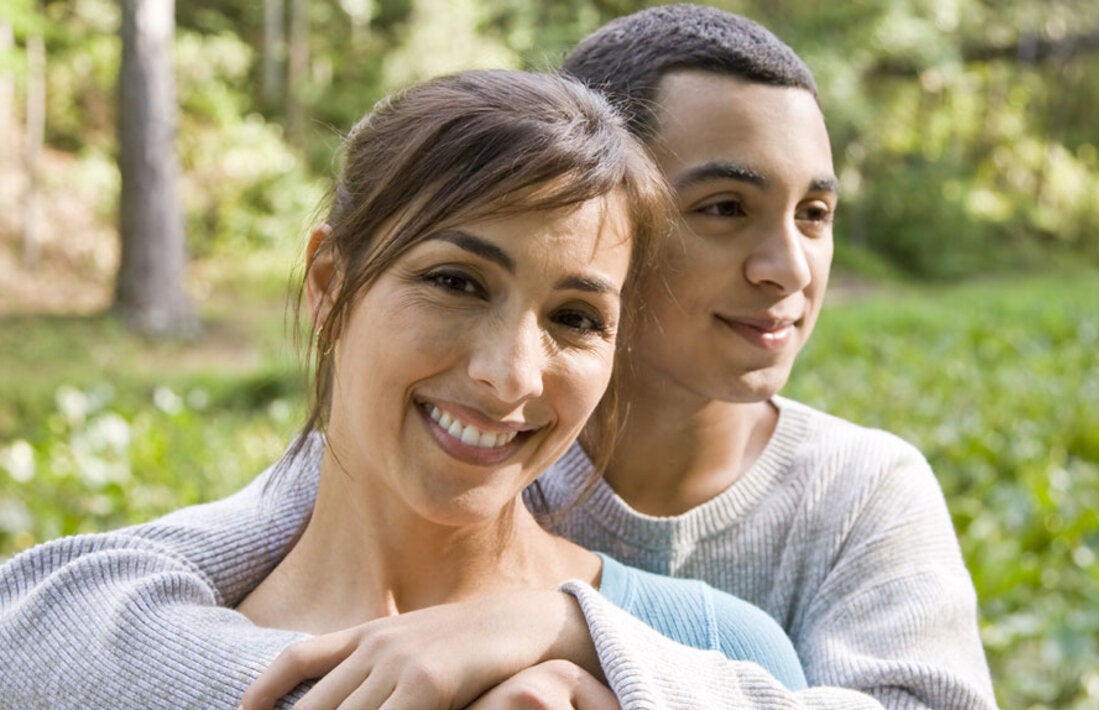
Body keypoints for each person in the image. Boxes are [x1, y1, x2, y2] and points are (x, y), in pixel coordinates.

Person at [2, 5, 998, 709]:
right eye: (725, 207)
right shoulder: (385, 463)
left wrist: (567, 627)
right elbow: (47, 609)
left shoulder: (850, 501)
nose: (788, 266)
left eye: (815, 213)